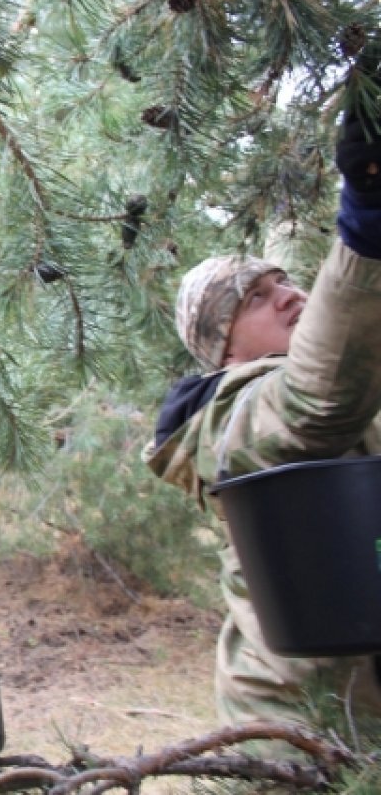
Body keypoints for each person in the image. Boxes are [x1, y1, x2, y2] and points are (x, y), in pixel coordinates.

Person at [143, 93, 381, 736]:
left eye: (284, 283)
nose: (289, 296)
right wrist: (365, 227)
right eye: (256, 297)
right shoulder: (226, 420)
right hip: (296, 738)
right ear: (223, 347)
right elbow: (316, 402)